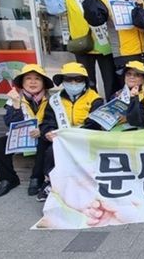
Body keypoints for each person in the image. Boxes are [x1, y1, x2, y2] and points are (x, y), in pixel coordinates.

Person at [44, 0, 116, 100]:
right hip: (82, 44)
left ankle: (111, 107)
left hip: (105, 44)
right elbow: (54, 9)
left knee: (110, 81)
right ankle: (90, 105)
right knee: (87, 82)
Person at [37, 62, 104, 201]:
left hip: (86, 138)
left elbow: (95, 123)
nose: (73, 83)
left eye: (78, 79)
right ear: (63, 81)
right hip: (61, 140)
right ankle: (50, 182)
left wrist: (75, 135)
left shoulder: (95, 99)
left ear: (85, 81)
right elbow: (48, 121)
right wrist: (48, 131)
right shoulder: (54, 100)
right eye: (68, 79)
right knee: (50, 152)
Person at [0, 64, 53, 198]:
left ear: (44, 83)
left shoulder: (53, 100)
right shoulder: (14, 99)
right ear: (22, 83)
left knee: (45, 142)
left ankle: (36, 178)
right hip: (20, 138)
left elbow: (54, 121)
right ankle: (8, 179)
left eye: (37, 79)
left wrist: (41, 130)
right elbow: (9, 123)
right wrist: (16, 106)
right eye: (28, 78)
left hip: (41, 136)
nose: (33, 82)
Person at [83, 0, 144, 94]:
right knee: (124, 91)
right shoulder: (106, 1)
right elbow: (95, 19)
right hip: (124, 54)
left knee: (142, 90)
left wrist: (140, 5)